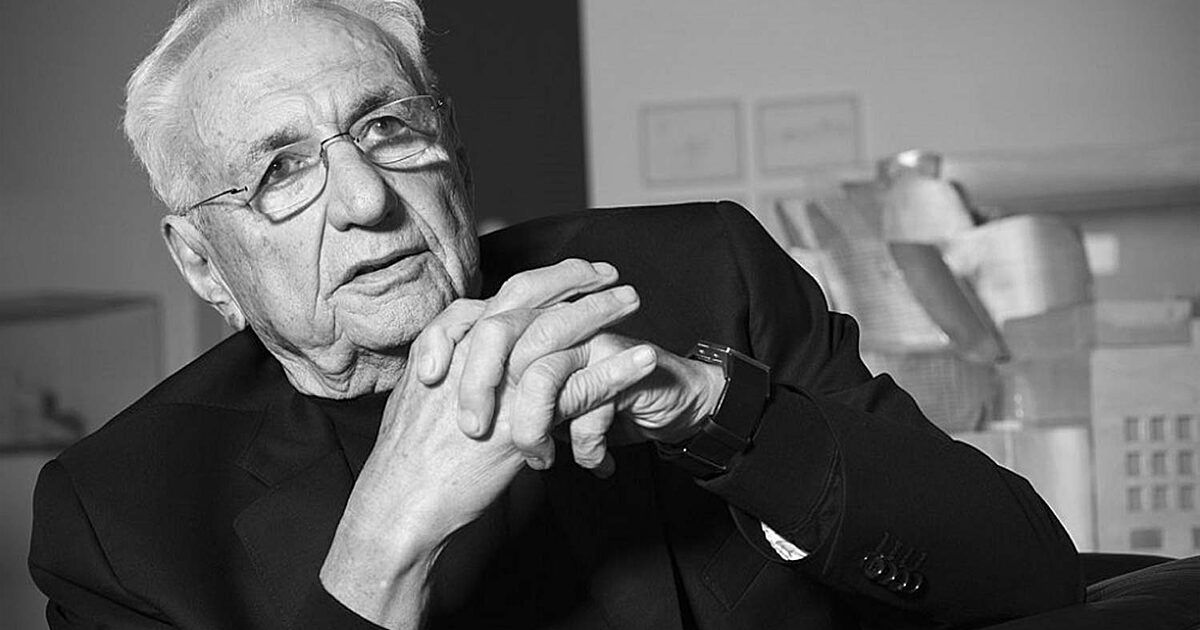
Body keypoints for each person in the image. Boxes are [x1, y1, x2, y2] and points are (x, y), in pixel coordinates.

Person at [28, 1, 1082, 628]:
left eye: (386, 127)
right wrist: (376, 554)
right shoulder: (121, 517)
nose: (364, 199)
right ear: (203, 263)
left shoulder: (702, 274)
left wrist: (720, 412)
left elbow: (1028, 571)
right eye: (281, 171)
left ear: (453, 153)